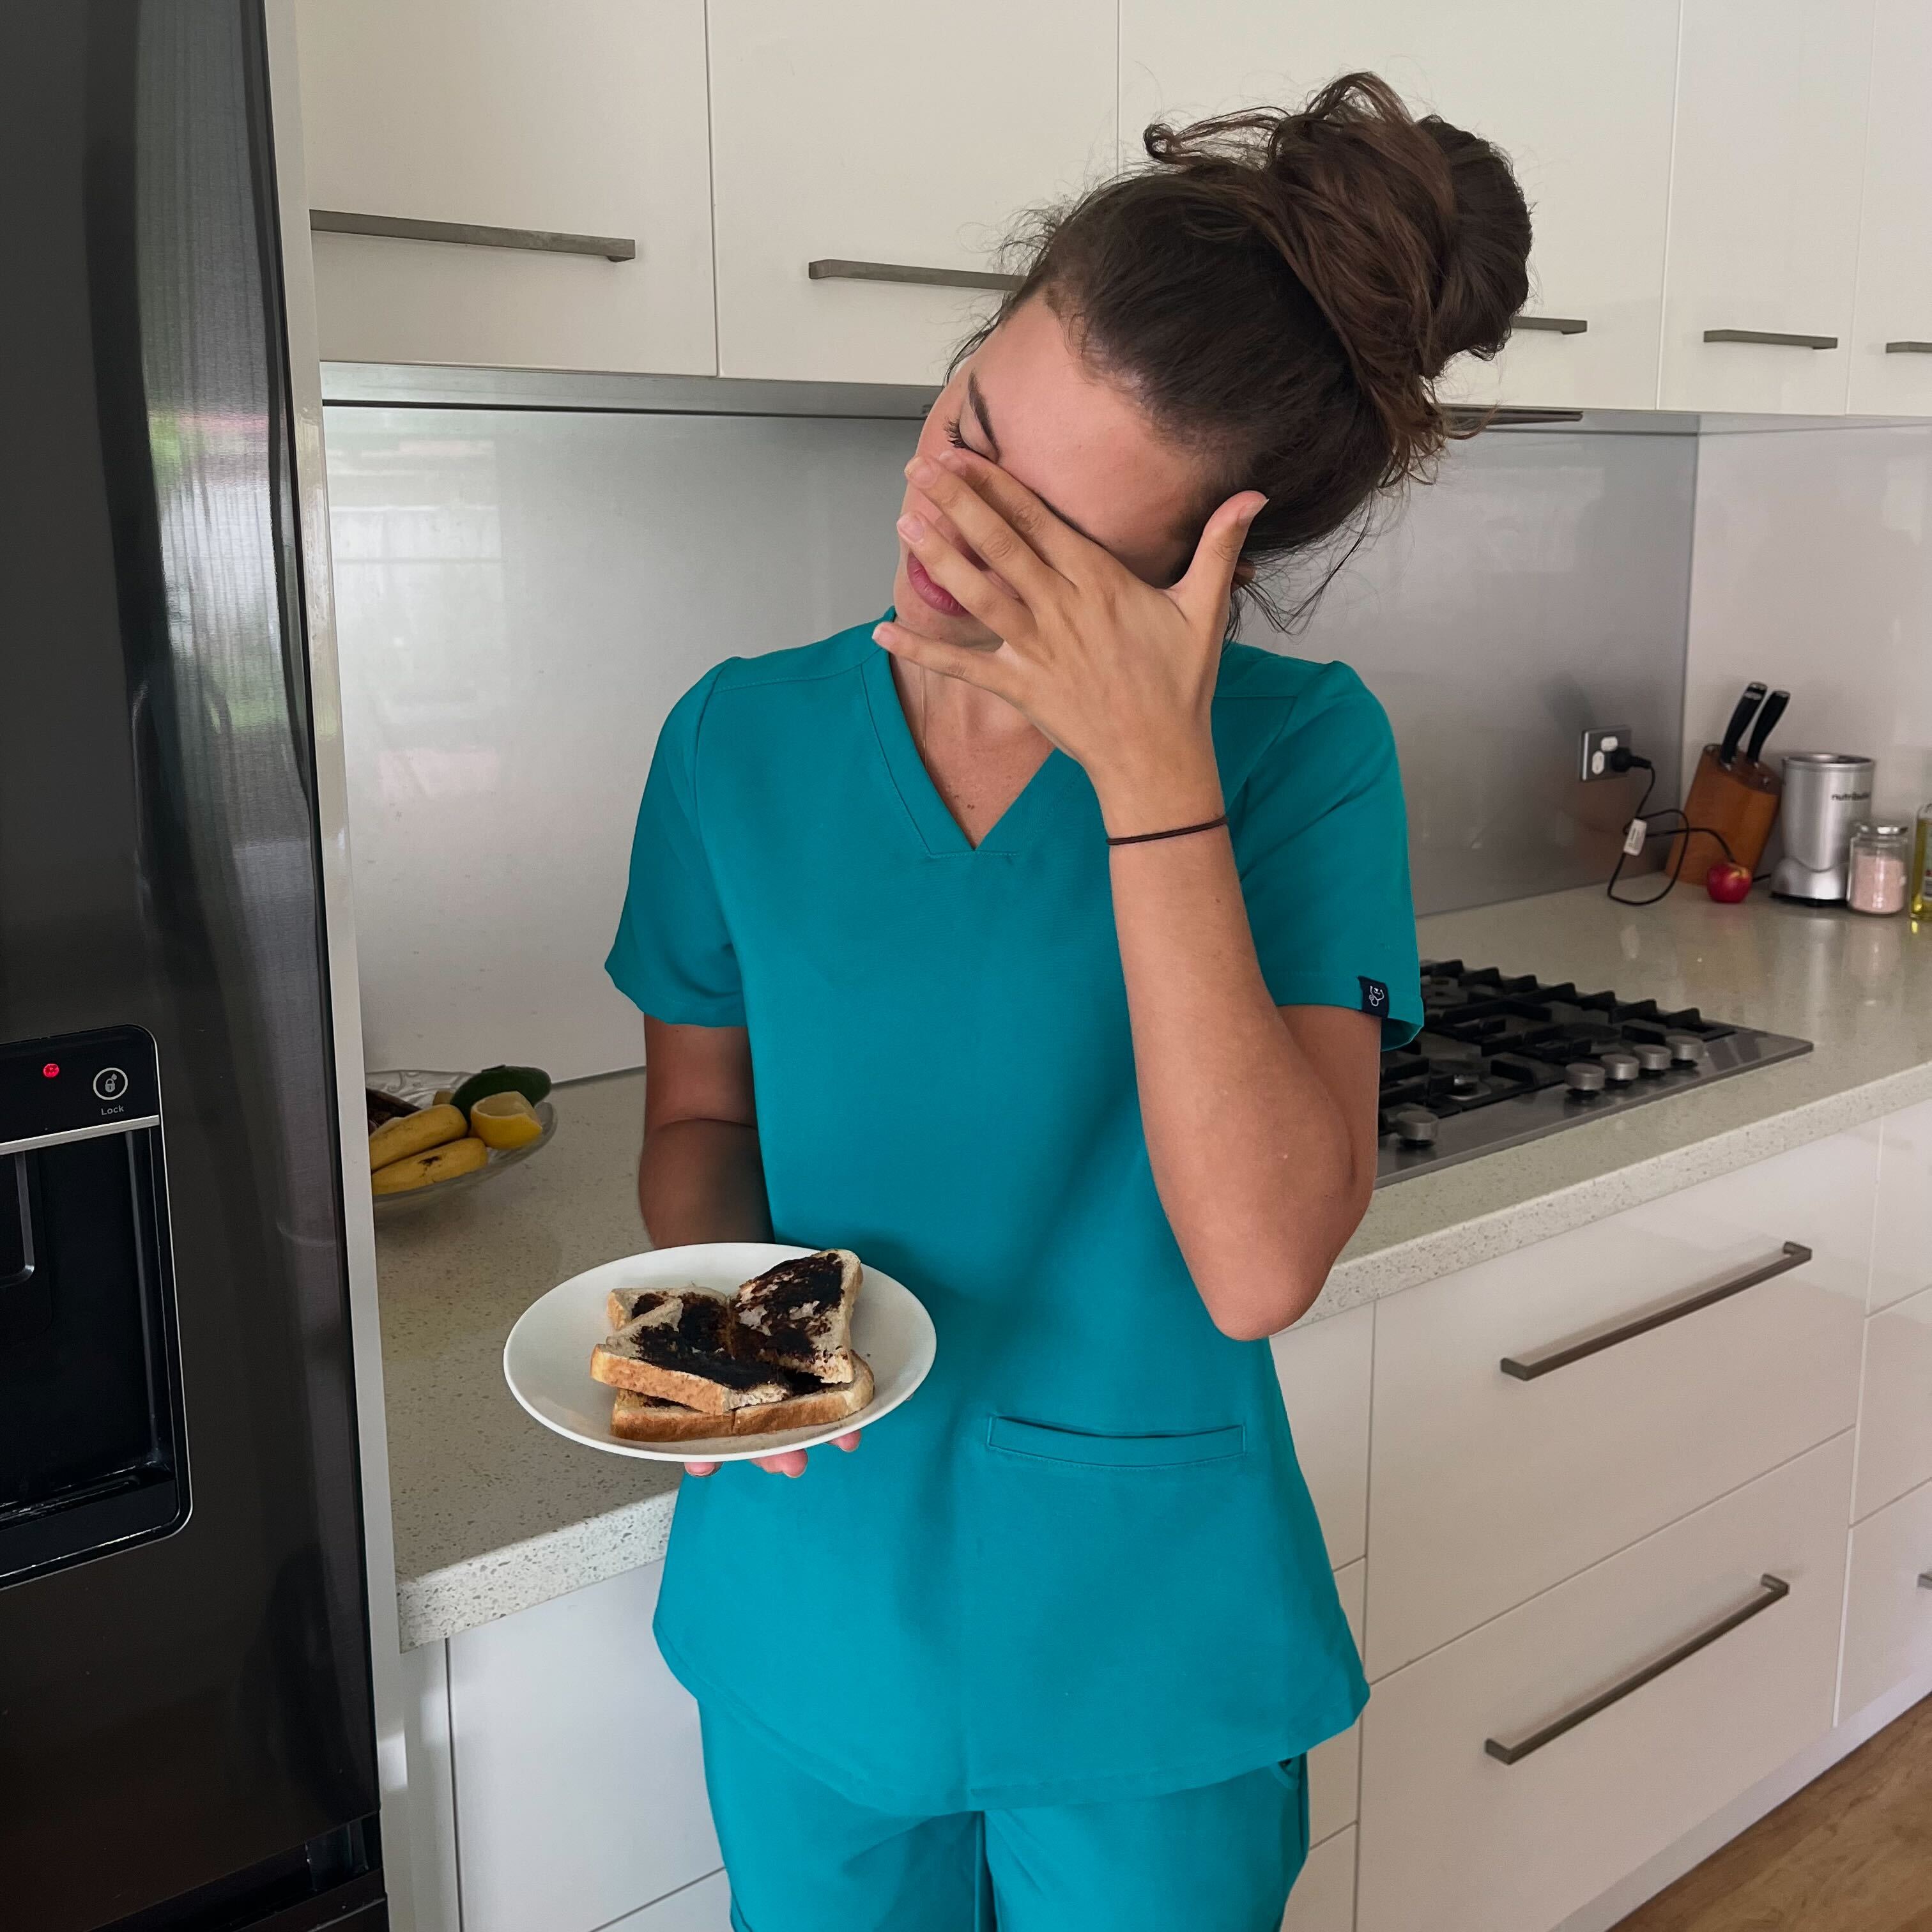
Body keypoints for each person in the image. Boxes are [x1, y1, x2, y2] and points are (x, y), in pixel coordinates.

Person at [606, 71, 1530, 1932]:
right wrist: (732, 1350)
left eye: (1049, 538)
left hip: (1148, 1653)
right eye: (969, 422)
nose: (951, 525)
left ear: (1202, 572)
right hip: (806, 1596)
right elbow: (702, 1124)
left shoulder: (1298, 762)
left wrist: (1144, 769)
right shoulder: (736, 741)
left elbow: (1262, 1262)